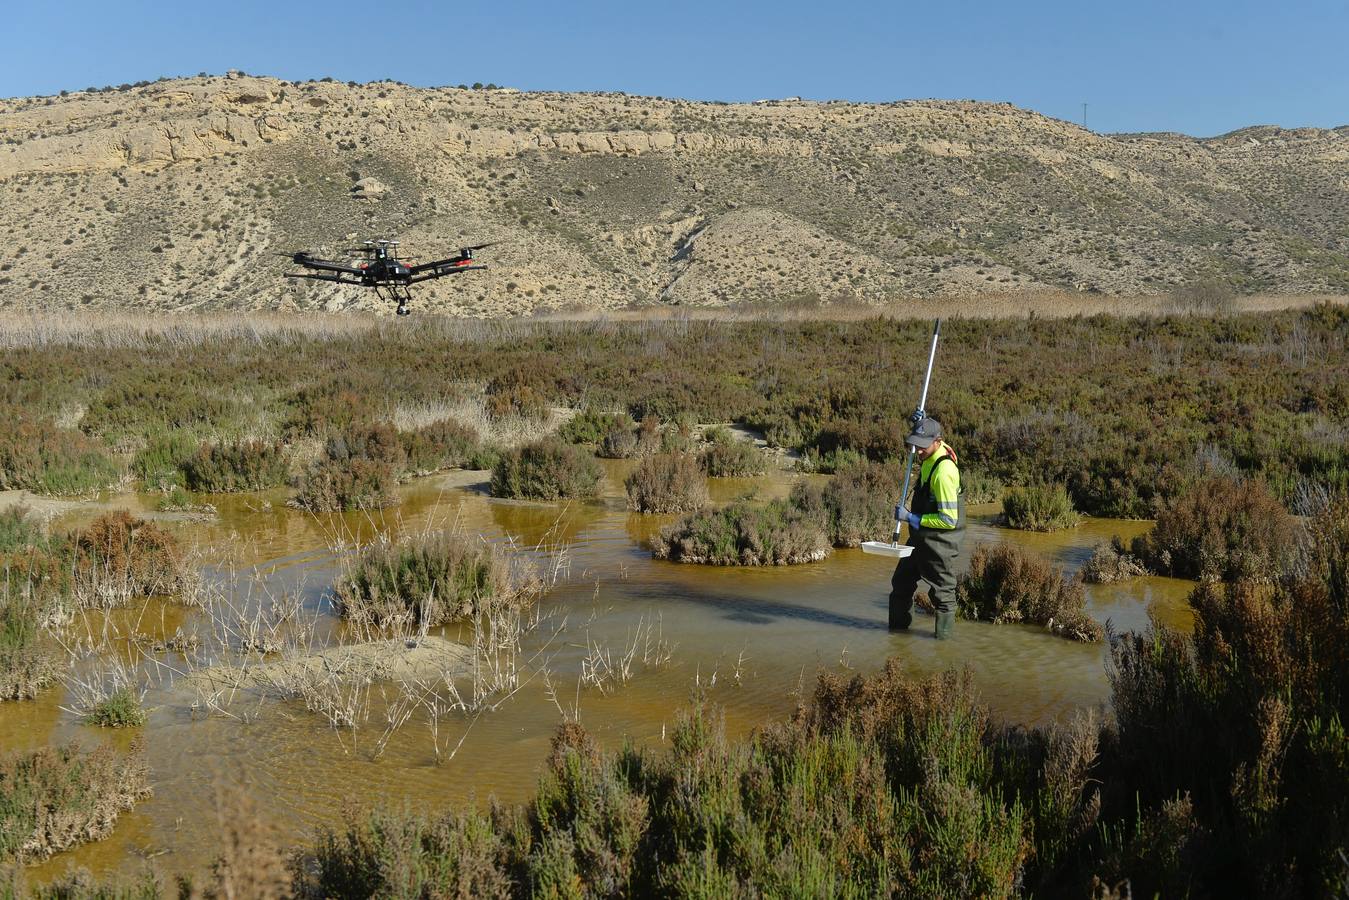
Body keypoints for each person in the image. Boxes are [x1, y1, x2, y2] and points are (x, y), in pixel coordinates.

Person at [889, 416, 965, 639]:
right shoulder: (935, 447)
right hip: (921, 537)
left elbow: (949, 520)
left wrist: (911, 518)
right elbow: (929, 431)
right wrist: (921, 422)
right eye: (915, 443)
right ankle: (897, 639)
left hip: (941, 542)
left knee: (943, 596)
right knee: (901, 582)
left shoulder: (944, 473)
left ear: (937, 441)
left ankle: (943, 649)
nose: (918, 451)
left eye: (922, 446)